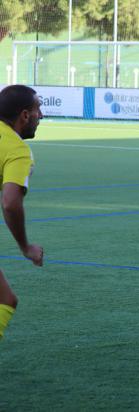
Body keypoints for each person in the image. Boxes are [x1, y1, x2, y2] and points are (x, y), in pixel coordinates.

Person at [0, 85, 45, 341]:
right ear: (25, 115)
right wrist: (25, 247)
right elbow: (10, 203)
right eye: (38, 109)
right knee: (4, 299)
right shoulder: (17, 150)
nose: (42, 116)